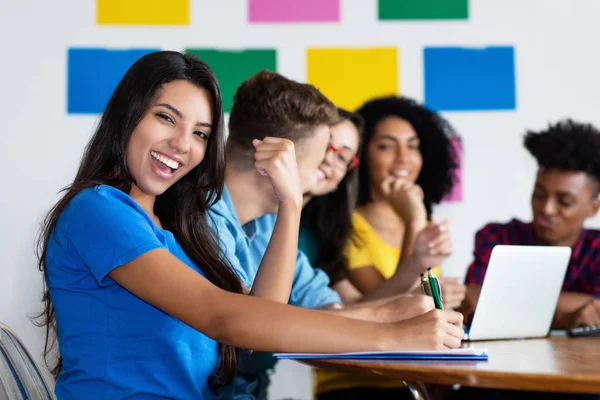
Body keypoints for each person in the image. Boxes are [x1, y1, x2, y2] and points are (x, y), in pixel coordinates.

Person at [36, 51, 465, 400]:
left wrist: (291, 204)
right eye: (166, 118)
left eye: (202, 133)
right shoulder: (99, 211)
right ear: (128, 115)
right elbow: (223, 317)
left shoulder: (171, 225)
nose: (183, 144)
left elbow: (261, 322)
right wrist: (391, 335)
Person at [209, 73, 464, 399]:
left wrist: (402, 308)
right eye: (321, 158)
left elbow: (325, 311)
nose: (326, 169)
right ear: (279, 161)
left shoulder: (265, 229)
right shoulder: (196, 224)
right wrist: (386, 316)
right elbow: (256, 330)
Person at [303, 96, 467, 400]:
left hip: (416, 379)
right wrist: (415, 217)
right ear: (363, 156)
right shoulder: (344, 224)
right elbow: (392, 309)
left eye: (413, 146)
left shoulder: (421, 220)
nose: (403, 158)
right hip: (358, 384)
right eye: (387, 146)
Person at [460, 119, 600, 329]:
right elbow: (471, 299)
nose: (547, 209)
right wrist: (569, 313)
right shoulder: (497, 237)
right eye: (539, 194)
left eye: (565, 202)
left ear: (593, 208)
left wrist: (502, 298)